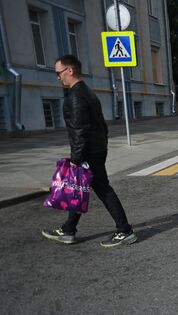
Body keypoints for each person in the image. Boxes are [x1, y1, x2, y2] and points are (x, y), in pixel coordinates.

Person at [42, 55, 136, 248]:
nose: (58, 77)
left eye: (59, 73)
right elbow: (101, 125)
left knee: (102, 189)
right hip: (95, 149)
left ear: (70, 70)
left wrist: (76, 159)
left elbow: (80, 130)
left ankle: (125, 230)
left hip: (87, 152)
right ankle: (69, 230)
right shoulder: (87, 91)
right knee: (78, 189)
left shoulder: (76, 95)